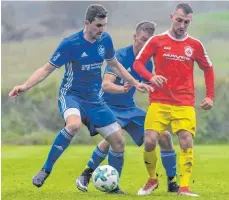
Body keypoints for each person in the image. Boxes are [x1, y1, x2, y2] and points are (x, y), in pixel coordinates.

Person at [8, 4, 152, 194]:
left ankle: (112, 186)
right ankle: (45, 170)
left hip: (94, 100)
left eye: (104, 25)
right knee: (73, 125)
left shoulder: (105, 40)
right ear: (87, 23)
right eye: (98, 26)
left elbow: (115, 65)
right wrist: (25, 86)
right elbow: (46, 69)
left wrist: (134, 83)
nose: (102, 30)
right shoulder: (70, 44)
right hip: (71, 96)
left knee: (118, 141)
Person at [76, 21, 179, 195]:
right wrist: (122, 88)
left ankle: (172, 182)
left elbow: (148, 84)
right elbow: (106, 85)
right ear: (135, 36)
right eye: (142, 39)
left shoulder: (147, 63)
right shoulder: (121, 57)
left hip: (129, 108)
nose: (144, 45)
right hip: (107, 106)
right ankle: (89, 174)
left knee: (165, 136)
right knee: (116, 138)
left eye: (148, 42)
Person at [133, 2, 214, 197]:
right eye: (179, 20)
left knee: (186, 140)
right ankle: (152, 179)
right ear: (172, 18)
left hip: (184, 102)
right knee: (150, 141)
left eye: (186, 22)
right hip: (159, 100)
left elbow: (208, 69)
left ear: (190, 22)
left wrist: (210, 96)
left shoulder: (195, 45)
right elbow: (138, 64)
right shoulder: (157, 41)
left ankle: (184, 187)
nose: (182, 25)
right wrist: (151, 77)